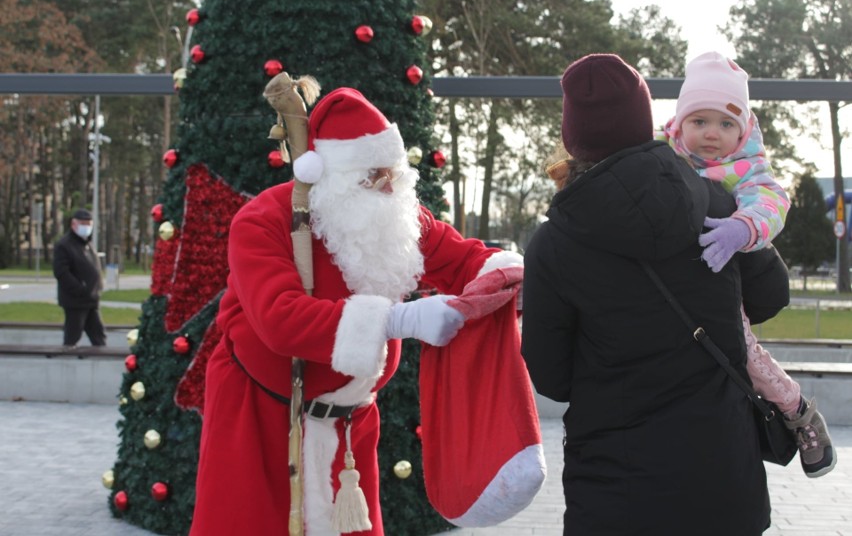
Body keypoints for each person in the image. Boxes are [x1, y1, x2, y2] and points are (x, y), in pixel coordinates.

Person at [190, 87, 524, 535]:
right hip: (262, 420)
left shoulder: (395, 214)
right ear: (333, 177)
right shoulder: (264, 220)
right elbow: (280, 319)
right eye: (374, 175)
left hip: (351, 425)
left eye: (395, 173)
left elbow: (466, 259)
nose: (390, 186)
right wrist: (398, 320)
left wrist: (512, 279)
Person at [522, 53, 791, 535]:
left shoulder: (552, 243)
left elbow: (551, 377)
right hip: (725, 482)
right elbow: (771, 297)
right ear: (646, 119)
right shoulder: (720, 202)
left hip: (613, 490)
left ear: (572, 134)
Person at [664, 51, 835, 478]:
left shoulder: (746, 167)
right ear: (680, 122)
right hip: (675, 288)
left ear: (742, 129)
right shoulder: (662, 156)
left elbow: (772, 201)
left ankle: (798, 412)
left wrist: (743, 227)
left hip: (725, 283)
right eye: (699, 121)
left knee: (747, 357)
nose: (711, 134)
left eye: (726, 124)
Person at [53, 208, 106, 349]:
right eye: (83, 223)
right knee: (72, 335)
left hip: (91, 300)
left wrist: (98, 287)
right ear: (73, 224)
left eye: (89, 223)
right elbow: (61, 272)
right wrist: (79, 288)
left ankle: (102, 363)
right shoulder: (64, 245)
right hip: (75, 301)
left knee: (98, 336)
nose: (86, 227)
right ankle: (65, 364)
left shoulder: (87, 244)